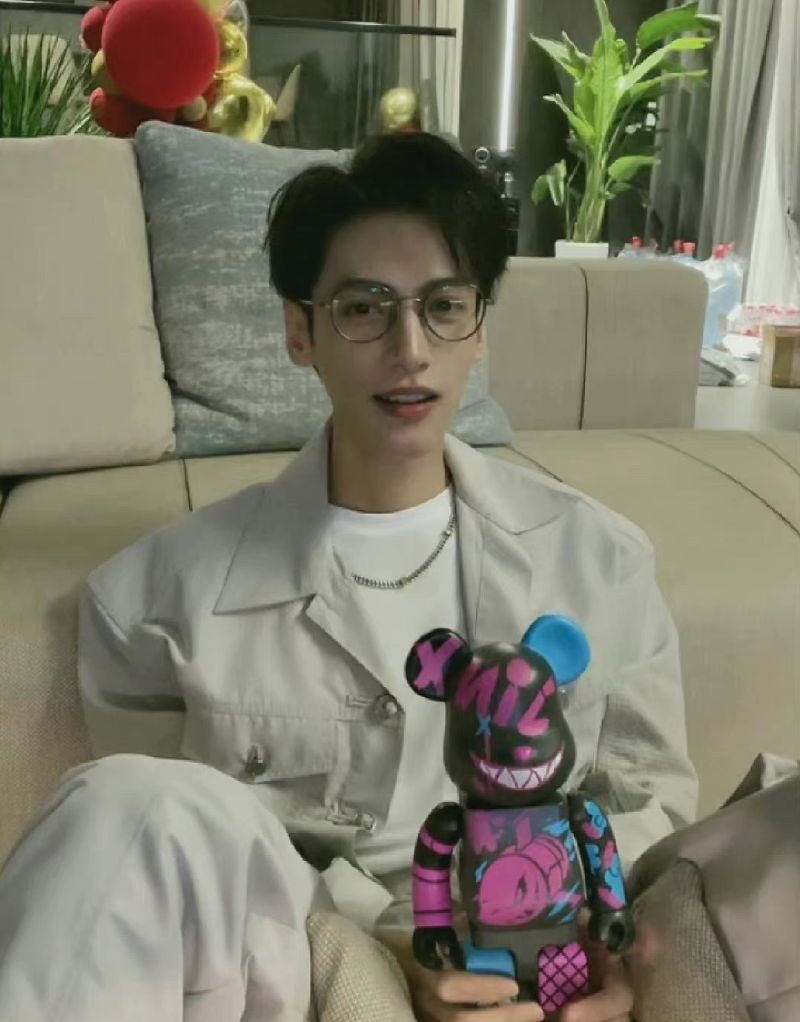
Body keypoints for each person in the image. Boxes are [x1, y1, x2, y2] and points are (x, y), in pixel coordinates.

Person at [0, 132, 698, 1022]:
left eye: (444, 306)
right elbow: (172, 880)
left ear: (479, 326)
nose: (411, 349)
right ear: (301, 331)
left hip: (544, 966)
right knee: (124, 806)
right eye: (365, 308)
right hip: (304, 959)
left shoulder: (601, 562)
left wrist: (599, 946)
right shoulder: (151, 602)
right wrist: (400, 940)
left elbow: (650, 809)